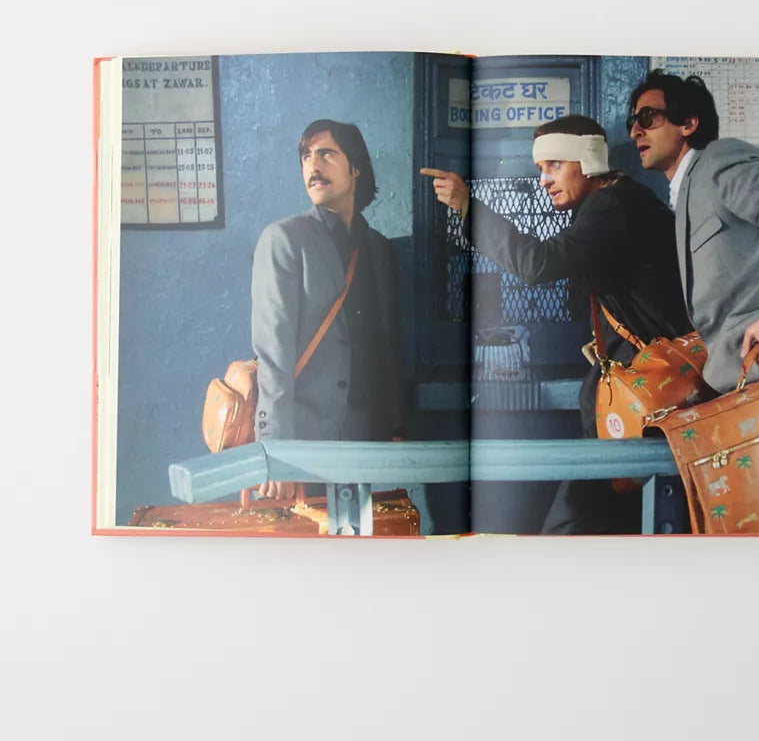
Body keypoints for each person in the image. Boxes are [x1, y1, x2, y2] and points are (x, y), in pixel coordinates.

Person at [422, 114, 690, 534]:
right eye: (540, 168)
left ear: (590, 159)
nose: (544, 180)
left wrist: (469, 207)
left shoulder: (610, 206)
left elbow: (537, 264)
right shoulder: (621, 200)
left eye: (554, 165)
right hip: (644, 395)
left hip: (642, 397)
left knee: (568, 527)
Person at [627, 71, 759, 394]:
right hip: (739, 378)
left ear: (688, 124)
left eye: (647, 117)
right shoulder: (685, 193)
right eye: (632, 122)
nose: (635, 131)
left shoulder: (719, 164)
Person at [252, 119, 404, 499]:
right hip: (303, 440)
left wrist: (394, 424)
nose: (313, 166)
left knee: (358, 533)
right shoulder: (285, 239)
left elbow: (385, 344)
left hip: (363, 437)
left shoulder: (377, 248)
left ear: (356, 169)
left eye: (326, 154)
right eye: (306, 156)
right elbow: (272, 354)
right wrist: (275, 448)